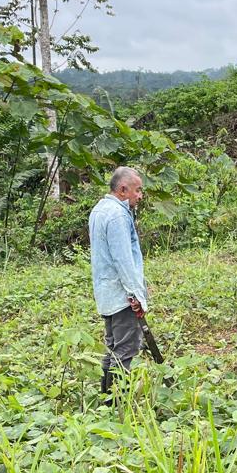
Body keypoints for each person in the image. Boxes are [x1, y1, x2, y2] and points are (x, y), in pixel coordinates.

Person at [88, 166, 150, 398]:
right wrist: (136, 295)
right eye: (137, 190)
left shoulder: (100, 209)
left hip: (107, 294)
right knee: (125, 350)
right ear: (123, 189)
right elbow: (123, 259)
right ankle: (117, 403)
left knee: (113, 348)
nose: (140, 196)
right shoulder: (117, 215)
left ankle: (107, 401)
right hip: (121, 296)